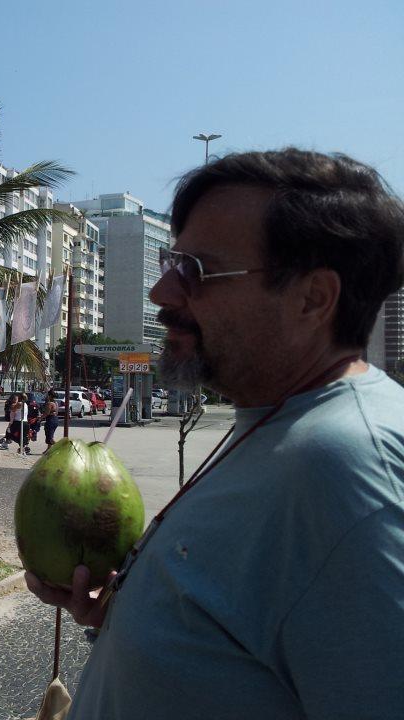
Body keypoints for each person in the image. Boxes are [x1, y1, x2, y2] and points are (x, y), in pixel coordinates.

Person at [26, 149, 404, 719]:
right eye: (168, 262)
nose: (161, 294)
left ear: (313, 298)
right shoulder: (279, 418)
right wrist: (139, 617)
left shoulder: (349, 467)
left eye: (195, 272)